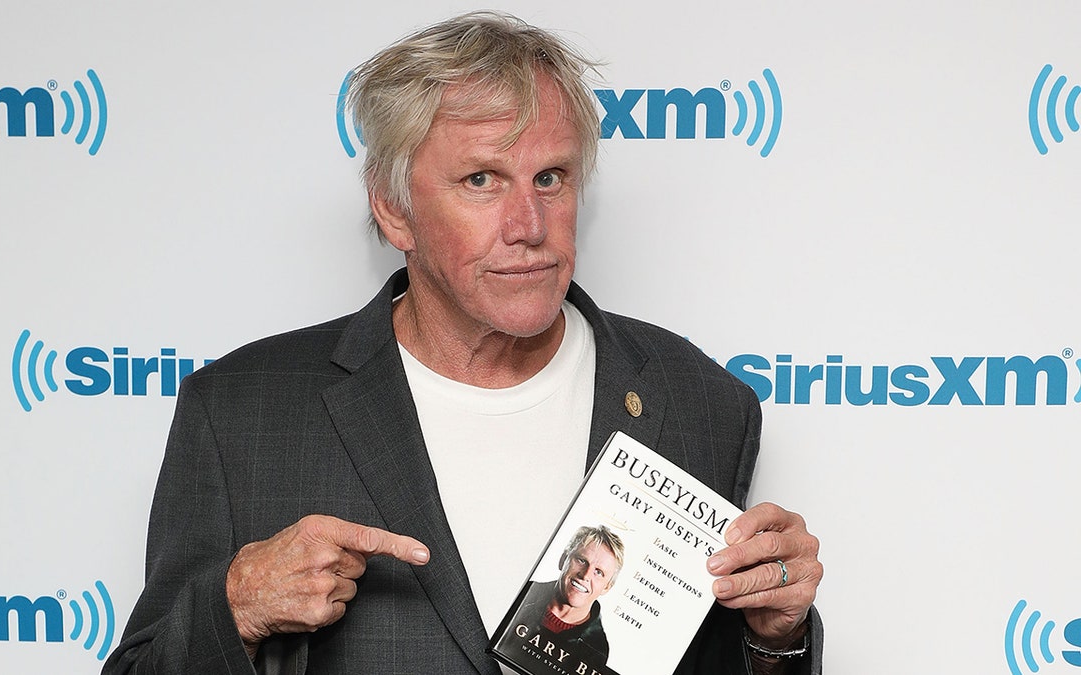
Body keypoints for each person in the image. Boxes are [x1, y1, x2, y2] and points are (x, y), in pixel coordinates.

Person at [104, 11, 824, 675]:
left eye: (551, 177)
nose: (529, 223)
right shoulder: (240, 413)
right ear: (394, 209)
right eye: (482, 179)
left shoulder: (699, 400)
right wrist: (236, 604)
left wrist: (776, 639)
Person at [494, 526, 624, 675]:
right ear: (563, 560)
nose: (586, 575)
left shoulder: (597, 649)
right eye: (581, 560)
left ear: (607, 587)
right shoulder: (521, 592)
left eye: (598, 572)